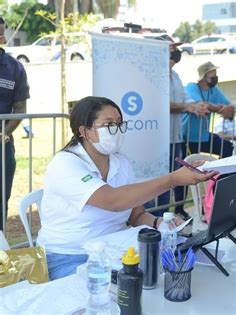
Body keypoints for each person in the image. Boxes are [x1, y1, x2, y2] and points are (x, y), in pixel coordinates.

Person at [37, 96, 216, 280]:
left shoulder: (120, 161)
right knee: (125, 291)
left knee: (170, 273)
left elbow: (136, 215)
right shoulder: (65, 164)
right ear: (85, 131)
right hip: (66, 256)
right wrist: (173, 179)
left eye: (119, 123)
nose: (116, 129)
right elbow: (113, 201)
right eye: (108, 124)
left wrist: (160, 223)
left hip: (113, 251)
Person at [148, 36, 208, 220]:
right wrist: (186, 107)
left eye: (175, 48)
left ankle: (164, 218)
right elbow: (158, 103)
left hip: (175, 138)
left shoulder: (175, 76)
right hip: (156, 140)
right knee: (155, 184)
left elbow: (184, 98)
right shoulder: (151, 74)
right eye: (171, 48)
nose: (175, 51)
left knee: (169, 182)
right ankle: (151, 220)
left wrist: (196, 105)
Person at [0, 17, 30, 231]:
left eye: (2, 32)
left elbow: (20, 111)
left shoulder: (14, 68)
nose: (2, 37)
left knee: (1, 200)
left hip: (2, 145)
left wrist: (3, 134)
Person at [184, 61, 235, 158]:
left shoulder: (213, 89)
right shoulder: (192, 87)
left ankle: (223, 173)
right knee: (190, 163)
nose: (216, 77)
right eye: (213, 75)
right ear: (204, 77)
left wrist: (228, 108)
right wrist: (218, 108)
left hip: (204, 135)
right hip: (189, 137)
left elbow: (230, 104)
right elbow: (201, 104)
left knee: (227, 146)